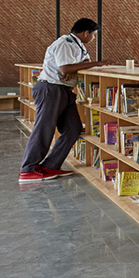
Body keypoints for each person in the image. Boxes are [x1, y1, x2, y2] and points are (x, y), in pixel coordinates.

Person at [20, 18, 111, 182]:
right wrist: (85, 65)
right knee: (44, 129)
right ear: (86, 33)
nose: (93, 38)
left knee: (73, 128)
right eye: (94, 35)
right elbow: (65, 68)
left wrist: (75, 67)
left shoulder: (79, 45)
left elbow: (84, 63)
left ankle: (50, 166)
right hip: (51, 88)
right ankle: (28, 169)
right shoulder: (65, 42)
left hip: (64, 90)